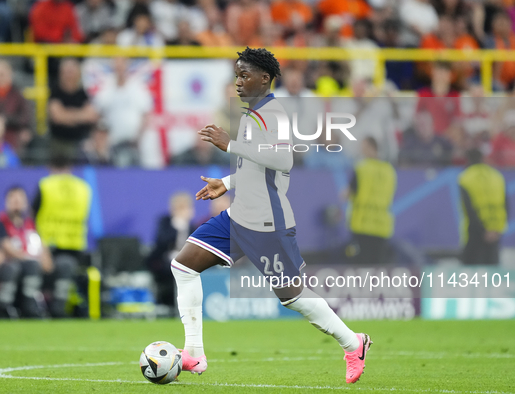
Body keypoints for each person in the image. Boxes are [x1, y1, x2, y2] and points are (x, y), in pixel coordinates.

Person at [170, 47, 371, 384]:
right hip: (238, 217)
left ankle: (354, 343)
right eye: (236, 75)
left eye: (244, 75)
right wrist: (227, 182)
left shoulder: (272, 113)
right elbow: (258, 165)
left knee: (293, 297)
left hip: (266, 223)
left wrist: (230, 144)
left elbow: (283, 161)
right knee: (184, 266)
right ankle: (194, 352)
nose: (238, 82)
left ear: (264, 78)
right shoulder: (253, 113)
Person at [33, 154, 92, 317]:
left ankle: (50, 308)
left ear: (50, 167)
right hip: (76, 246)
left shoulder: (45, 185)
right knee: (67, 271)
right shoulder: (84, 188)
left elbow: (32, 218)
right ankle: (60, 305)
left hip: (48, 246)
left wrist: (40, 248)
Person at [0, 186, 53, 318]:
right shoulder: (0, 223)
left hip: (31, 263)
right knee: (18, 267)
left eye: (20, 198)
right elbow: (6, 247)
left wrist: (45, 259)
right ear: (6, 202)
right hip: (9, 264)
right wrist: (31, 259)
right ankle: (3, 306)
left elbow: (42, 245)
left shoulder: (32, 223)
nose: (17, 202)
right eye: (13, 198)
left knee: (51, 267)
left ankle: (35, 303)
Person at [345, 137, 397, 265]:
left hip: (363, 223)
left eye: (363, 147)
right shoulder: (389, 170)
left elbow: (349, 192)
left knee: (361, 266)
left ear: (371, 148)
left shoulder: (362, 168)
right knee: (378, 267)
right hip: (382, 224)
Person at [93, 57, 153, 167]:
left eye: (122, 65)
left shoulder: (137, 87)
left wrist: (138, 138)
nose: (119, 68)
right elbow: (97, 113)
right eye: (117, 65)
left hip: (134, 142)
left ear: (127, 66)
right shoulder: (106, 87)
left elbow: (146, 115)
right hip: (113, 143)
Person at [145, 192, 196, 314]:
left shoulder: (193, 227)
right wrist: (177, 227)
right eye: (179, 208)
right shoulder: (165, 223)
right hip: (165, 262)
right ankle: (169, 304)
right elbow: (161, 243)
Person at [459, 149, 508, 265]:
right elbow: (506, 205)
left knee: (471, 276)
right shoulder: (497, 176)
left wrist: (482, 231)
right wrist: (497, 231)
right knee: (492, 276)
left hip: (474, 234)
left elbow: (469, 209)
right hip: (495, 232)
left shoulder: (465, 177)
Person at [48, 58, 99, 162]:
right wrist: (80, 115)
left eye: (72, 72)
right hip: (60, 141)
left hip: (82, 141)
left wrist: (67, 115)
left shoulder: (84, 93)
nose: (69, 76)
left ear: (78, 74)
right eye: (66, 72)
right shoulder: (55, 92)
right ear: (60, 74)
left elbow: (91, 116)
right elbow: (57, 117)